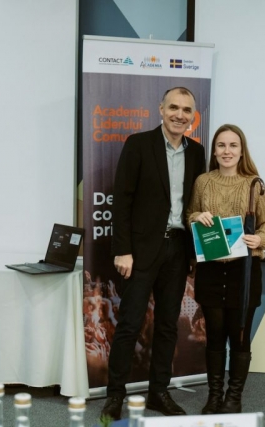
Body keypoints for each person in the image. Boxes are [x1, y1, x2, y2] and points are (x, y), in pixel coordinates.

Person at [100, 87, 207, 420]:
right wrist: (123, 251)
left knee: (167, 326)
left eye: (186, 110)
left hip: (178, 248)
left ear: (193, 116)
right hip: (141, 251)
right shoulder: (138, 144)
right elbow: (122, 201)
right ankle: (115, 396)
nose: (179, 115)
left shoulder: (197, 152)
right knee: (130, 324)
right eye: (174, 107)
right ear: (160, 109)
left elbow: (195, 204)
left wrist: (195, 253)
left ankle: (158, 393)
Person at [186, 124, 265, 414]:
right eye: (221, 145)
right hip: (211, 269)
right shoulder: (203, 182)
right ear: (214, 151)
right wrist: (197, 216)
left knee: (239, 336)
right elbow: (189, 214)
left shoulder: (254, 184)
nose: (227, 151)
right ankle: (214, 396)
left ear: (241, 151)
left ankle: (233, 397)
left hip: (244, 270)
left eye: (233, 145)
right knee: (213, 335)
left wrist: (260, 239)